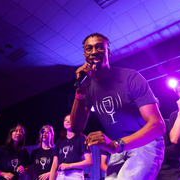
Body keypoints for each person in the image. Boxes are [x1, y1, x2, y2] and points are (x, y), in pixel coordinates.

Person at [70, 32, 165, 180]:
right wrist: (80, 91)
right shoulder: (87, 87)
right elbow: (76, 128)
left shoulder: (131, 77)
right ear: (85, 55)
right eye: (89, 49)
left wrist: (117, 145)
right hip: (117, 147)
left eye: (99, 47)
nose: (94, 51)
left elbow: (158, 126)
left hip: (143, 142)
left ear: (108, 52)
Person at [49, 114, 92, 180]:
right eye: (65, 120)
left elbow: (89, 162)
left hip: (75, 174)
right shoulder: (59, 141)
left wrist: (69, 165)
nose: (67, 121)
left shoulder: (82, 138)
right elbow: (54, 165)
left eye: (70, 120)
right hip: (61, 175)